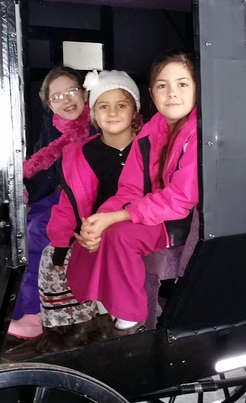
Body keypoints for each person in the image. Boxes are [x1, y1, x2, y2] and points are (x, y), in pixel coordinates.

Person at [67, 51, 199, 338]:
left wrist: (119, 217)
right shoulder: (152, 130)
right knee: (90, 231)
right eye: (163, 86)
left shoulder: (198, 132)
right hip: (153, 211)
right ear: (151, 92)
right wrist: (99, 219)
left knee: (119, 236)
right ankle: (105, 305)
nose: (172, 93)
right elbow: (129, 188)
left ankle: (130, 319)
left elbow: (180, 199)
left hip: (182, 221)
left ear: (197, 88)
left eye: (183, 85)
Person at [37, 69, 141, 352]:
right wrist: (61, 241)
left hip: (133, 220)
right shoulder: (79, 153)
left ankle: (113, 317)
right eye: (103, 107)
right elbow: (69, 203)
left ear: (135, 110)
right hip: (91, 223)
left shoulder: (148, 146)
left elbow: (139, 194)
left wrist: (99, 224)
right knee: (52, 255)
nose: (113, 113)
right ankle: (71, 326)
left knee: (107, 241)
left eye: (121, 105)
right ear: (93, 113)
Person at [10, 65, 91, 339]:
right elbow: (40, 168)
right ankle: (14, 309)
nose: (66, 100)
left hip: (85, 197)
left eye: (71, 91)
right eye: (56, 97)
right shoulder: (53, 127)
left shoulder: (100, 119)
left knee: (37, 230)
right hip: (58, 195)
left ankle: (34, 315)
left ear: (84, 92)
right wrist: (26, 194)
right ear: (49, 104)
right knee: (17, 225)